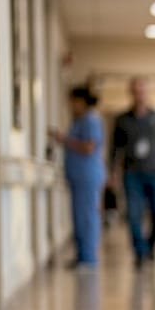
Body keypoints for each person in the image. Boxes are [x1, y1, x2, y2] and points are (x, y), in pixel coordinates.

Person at [110, 77, 155, 269]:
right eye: (136, 91)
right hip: (132, 173)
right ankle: (140, 252)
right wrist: (113, 172)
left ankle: (150, 246)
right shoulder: (122, 120)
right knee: (133, 214)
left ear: (147, 92)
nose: (139, 94)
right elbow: (114, 149)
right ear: (131, 93)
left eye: (142, 90)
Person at [49, 84, 106, 269]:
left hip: (87, 176)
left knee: (87, 217)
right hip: (79, 176)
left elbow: (89, 147)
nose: (70, 106)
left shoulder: (90, 120)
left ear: (81, 101)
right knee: (79, 216)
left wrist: (64, 139)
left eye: (73, 102)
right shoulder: (79, 121)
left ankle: (88, 257)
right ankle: (83, 255)